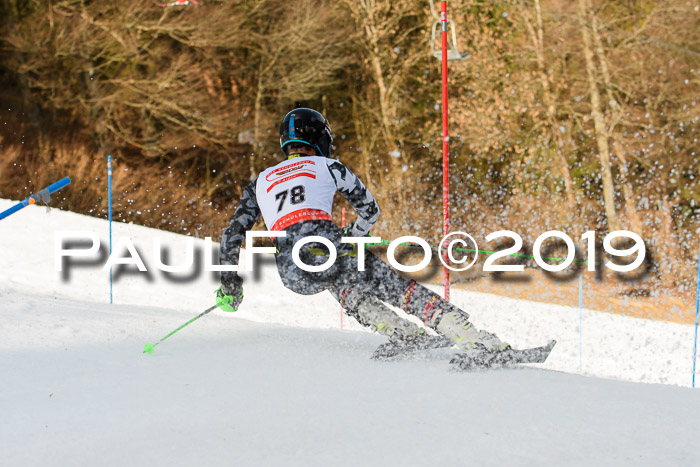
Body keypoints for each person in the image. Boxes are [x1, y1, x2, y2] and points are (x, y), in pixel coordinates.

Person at [217, 108, 508, 352]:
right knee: (396, 289)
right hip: (328, 246)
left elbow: (230, 236)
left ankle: (404, 335)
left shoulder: (260, 182)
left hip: (291, 271)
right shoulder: (329, 166)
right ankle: (472, 339)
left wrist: (230, 284)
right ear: (320, 139)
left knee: (339, 282)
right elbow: (370, 209)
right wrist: (354, 236)